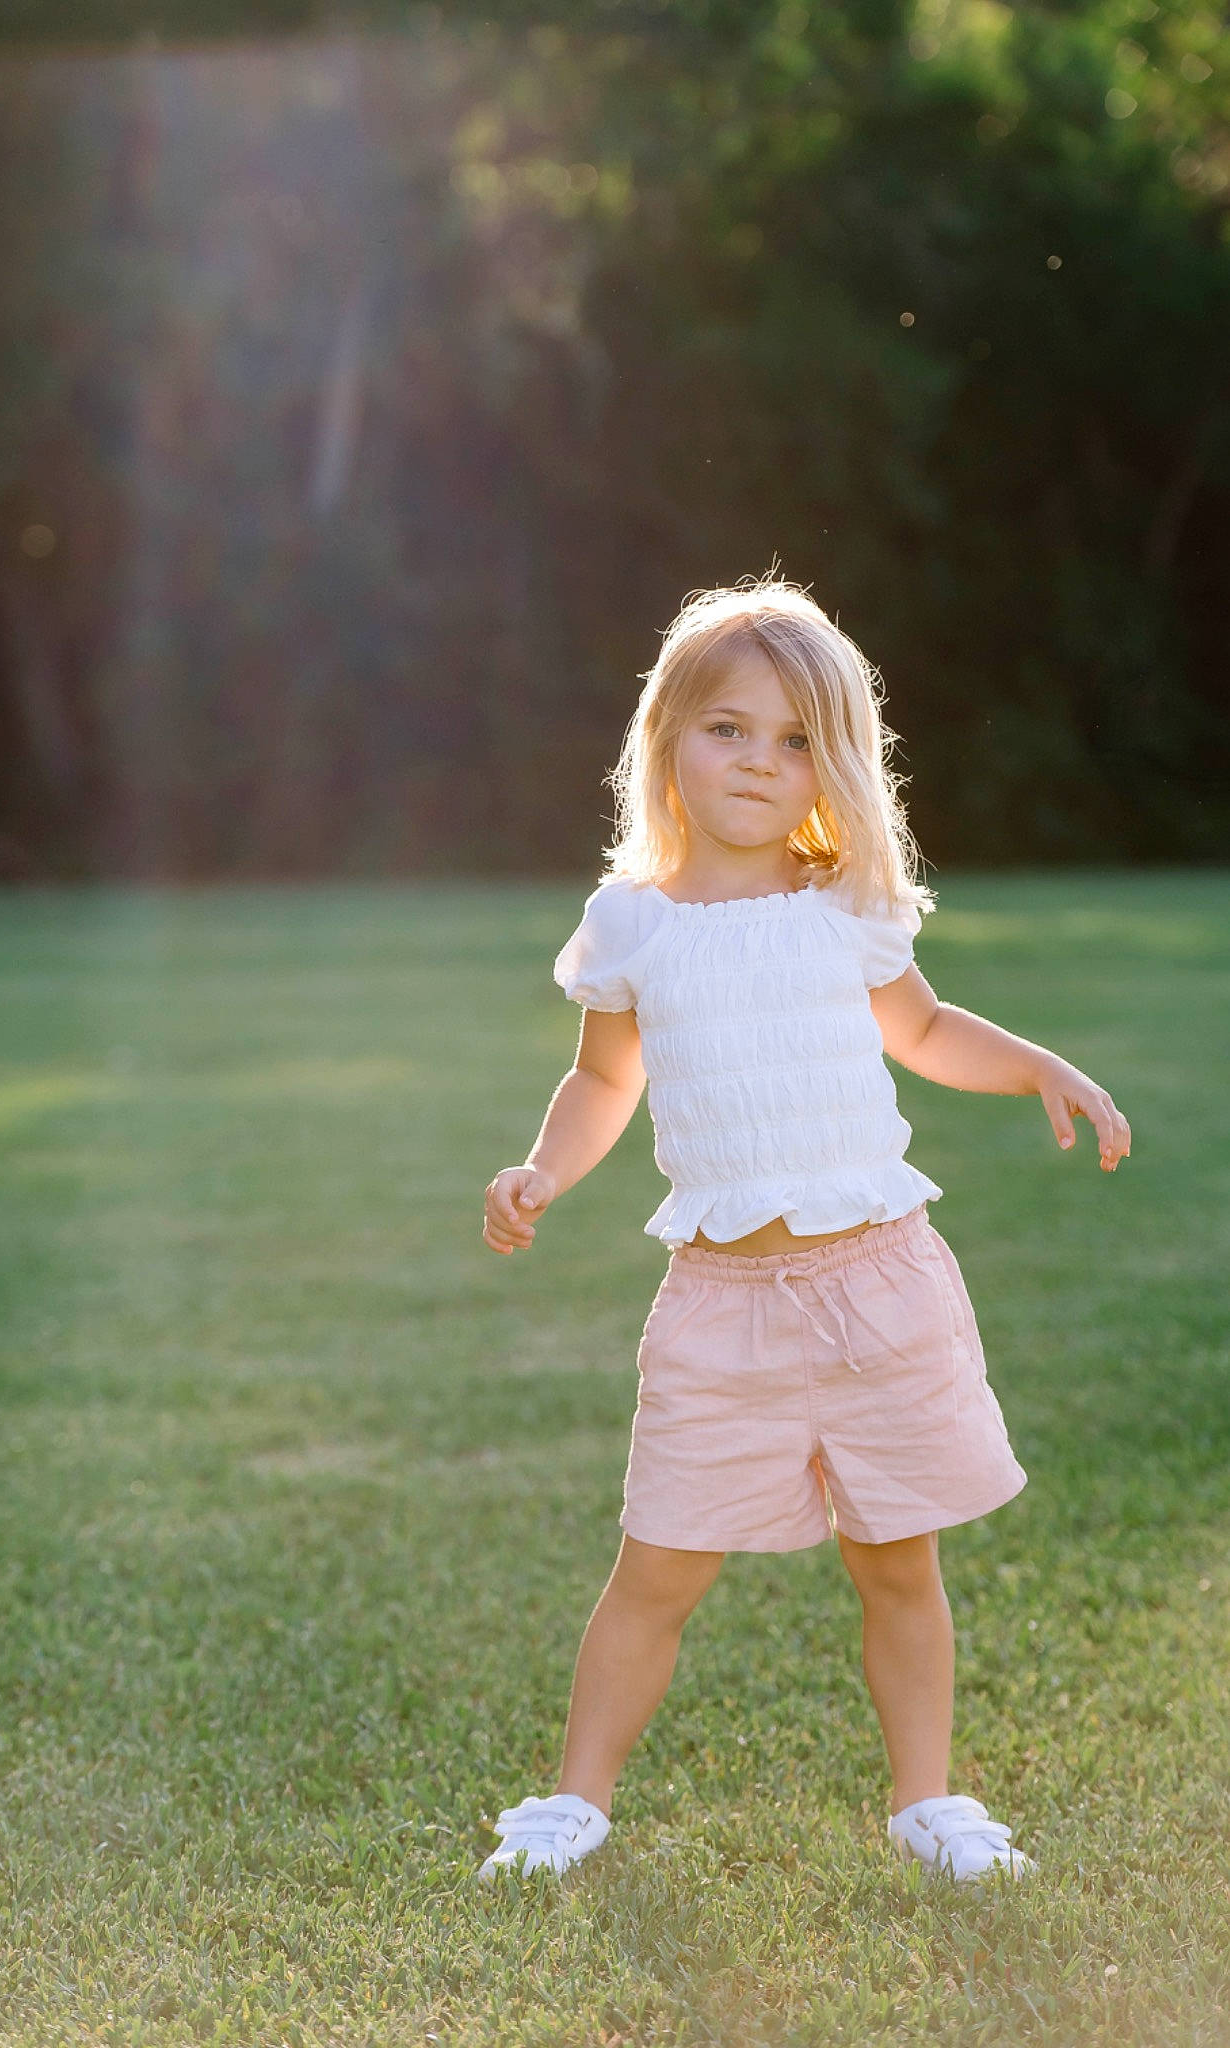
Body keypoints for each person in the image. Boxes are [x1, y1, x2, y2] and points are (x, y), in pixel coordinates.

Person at [476, 576, 1131, 1886]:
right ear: (668, 736)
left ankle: (927, 1803)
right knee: (655, 1571)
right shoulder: (633, 924)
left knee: (898, 1566)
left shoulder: (844, 907)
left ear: (831, 764)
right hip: (720, 1309)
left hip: (880, 1287)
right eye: (727, 729)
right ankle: (569, 1806)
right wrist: (542, 1170)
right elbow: (603, 1078)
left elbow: (924, 1029)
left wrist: (1039, 1067)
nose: (758, 762)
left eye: (793, 740)